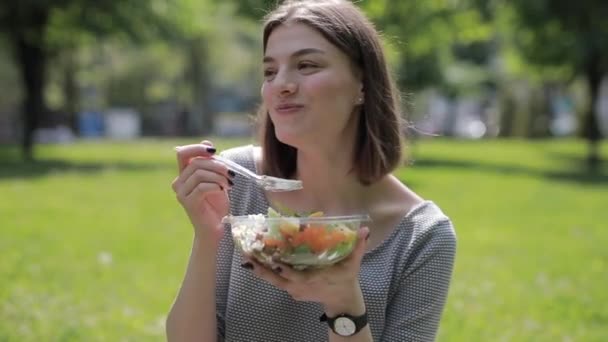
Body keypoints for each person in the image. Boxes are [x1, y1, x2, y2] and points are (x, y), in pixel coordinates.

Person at [166, 0, 456, 341]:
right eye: (270, 72)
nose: (282, 85)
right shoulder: (237, 180)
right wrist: (207, 235)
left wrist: (343, 301)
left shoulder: (421, 236)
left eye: (306, 65)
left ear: (362, 84)